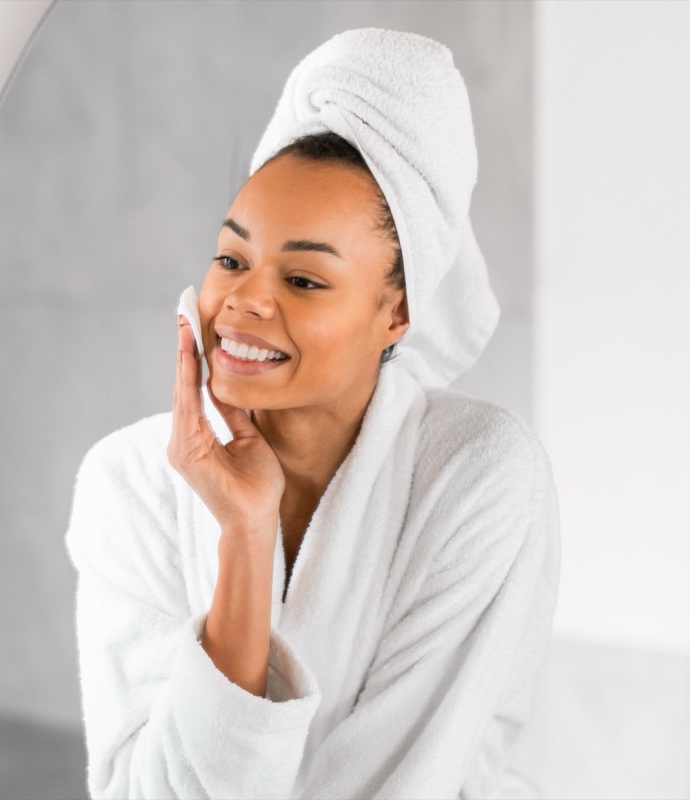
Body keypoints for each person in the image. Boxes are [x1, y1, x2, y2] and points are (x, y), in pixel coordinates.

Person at [66, 28, 559, 799]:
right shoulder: (126, 483)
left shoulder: (477, 473)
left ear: (395, 313)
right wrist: (244, 533)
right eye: (231, 259)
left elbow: (404, 782)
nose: (243, 301)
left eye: (304, 280)